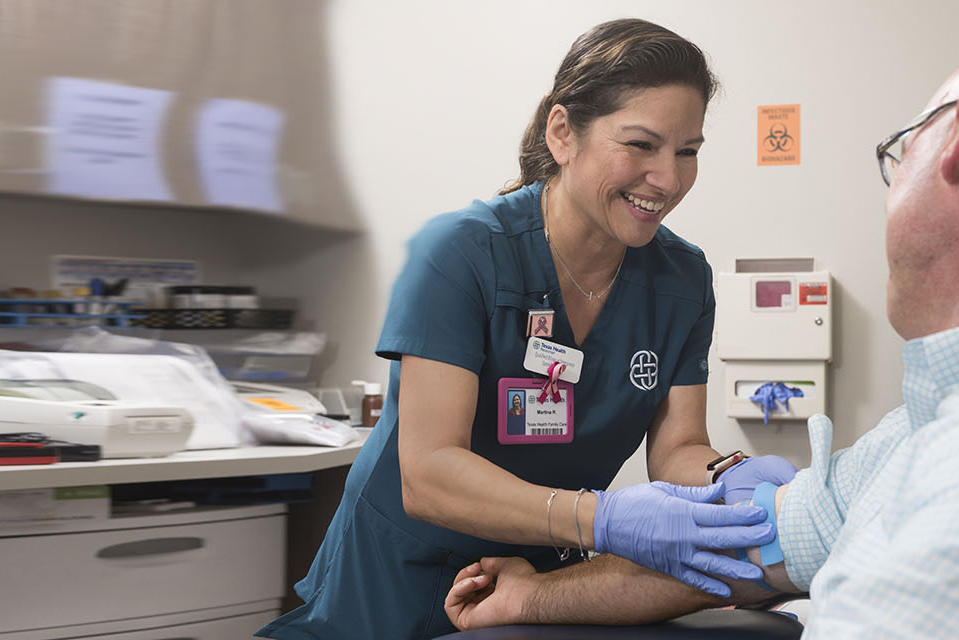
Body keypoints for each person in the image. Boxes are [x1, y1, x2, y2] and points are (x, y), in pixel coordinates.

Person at [440, 17, 959, 638]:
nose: (667, 180)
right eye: (641, 146)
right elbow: (761, 542)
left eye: (898, 154)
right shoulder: (956, 417)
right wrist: (535, 600)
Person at [258, 18, 797, 640]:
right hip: (389, 589)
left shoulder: (681, 278)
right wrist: (602, 520)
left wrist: (726, 476)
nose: (669, 180)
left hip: (538, 589)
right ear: (563, 133)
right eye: (641, 145)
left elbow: (676, 449)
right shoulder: (461, 254)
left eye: (688, 151)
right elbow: (430, 472)